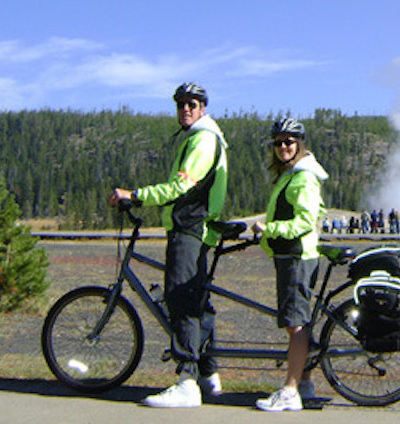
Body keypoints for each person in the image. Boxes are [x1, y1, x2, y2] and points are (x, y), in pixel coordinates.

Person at [108, 82, 228, 408]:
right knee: (199, 302)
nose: (186, 109)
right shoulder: (198, 137)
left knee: (182, 300)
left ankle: (187, 380)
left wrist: (136, 195)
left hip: (190, 229)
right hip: (195, 229)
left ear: (203, 108)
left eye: (192, 104)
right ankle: (207, 374)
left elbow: (180, 187)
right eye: (181, 104)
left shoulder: (203, 139)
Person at [251, 118, 328, 412]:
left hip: (297, 256)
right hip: (291, 256)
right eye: (279, 142)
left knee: (295, 325)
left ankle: (290, 391)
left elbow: (304, 221)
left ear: (300, 144)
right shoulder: (292, 173)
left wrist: (268, 230)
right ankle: (305, 382)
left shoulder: (303, 176)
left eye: (289, 141)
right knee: (301, 322)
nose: (283, 147)